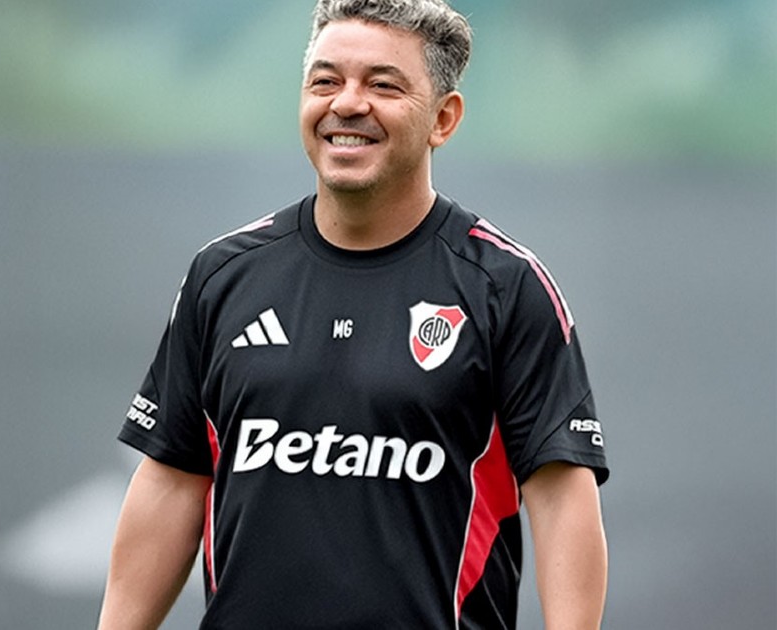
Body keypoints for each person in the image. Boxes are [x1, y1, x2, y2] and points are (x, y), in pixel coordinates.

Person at [98, 0, 609, 628]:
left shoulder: (506, 287)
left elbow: (562, 501)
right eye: (325, 81)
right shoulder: (223, 275)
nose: (346, 103)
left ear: (443, 119)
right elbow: (172, 481)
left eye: (383, 85)